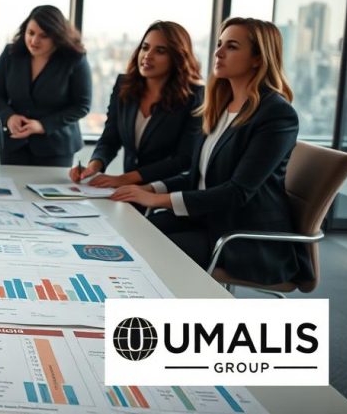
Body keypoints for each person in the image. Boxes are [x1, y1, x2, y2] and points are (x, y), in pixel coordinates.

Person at [112, 18, 314, 285]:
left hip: (242, 236)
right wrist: (149, 189)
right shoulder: (219, 105)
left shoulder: (276, 114)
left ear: (257, 58)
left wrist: (158, 201)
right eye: (219, 44)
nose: (218, 53)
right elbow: (200, 178)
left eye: (231, 46)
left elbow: (237, 192)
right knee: (130, 236)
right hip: (207, 221)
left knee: (149, 253)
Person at [69, 21, 204, 187]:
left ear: (177, 57)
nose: (148, 55)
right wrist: (93, 167)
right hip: (128, 192)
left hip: (165, 192)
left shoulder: (194, 96)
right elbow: (110, 139)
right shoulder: (124, 85)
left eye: (160, 51)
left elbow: (184, 159)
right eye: (145, 47)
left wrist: (122, 180)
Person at [0, 4, 91, 167]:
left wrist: (42, 126)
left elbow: (82, 106)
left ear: (57, 37)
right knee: (11, 190)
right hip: (13, 144)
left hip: (55, 146)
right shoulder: (11, 53)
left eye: (43, 36)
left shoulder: (74, 59)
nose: (34, 41)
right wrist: (9, 117)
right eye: (31, 33)